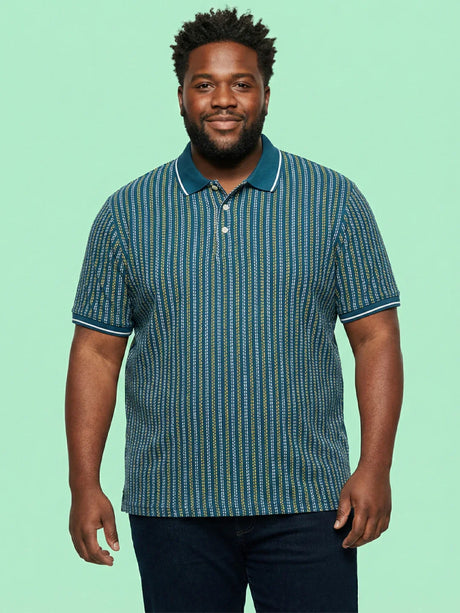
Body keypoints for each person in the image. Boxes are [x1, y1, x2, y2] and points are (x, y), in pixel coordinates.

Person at [65, 7, 403, 613]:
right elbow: (95, 353)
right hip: (172, 506)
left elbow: (376, 338)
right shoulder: (127, 213)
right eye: (205, 84)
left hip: (309, 503)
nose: (223, 99)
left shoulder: (334, 202)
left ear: (266, 95)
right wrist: (83, 483)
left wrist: (375, 467)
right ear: (181, 97)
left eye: (241, 84)